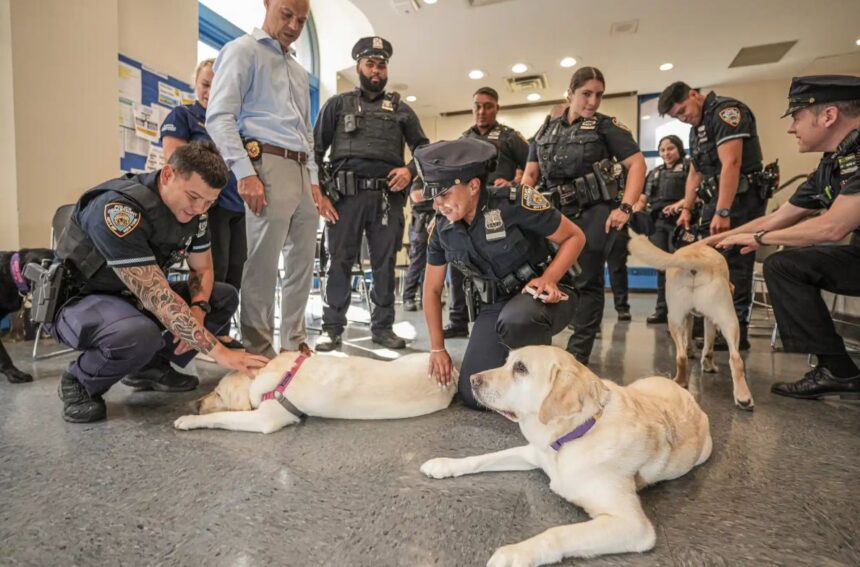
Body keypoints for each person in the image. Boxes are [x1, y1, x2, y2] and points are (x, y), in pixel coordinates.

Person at [51, 142, 270, 423]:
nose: (200, 208)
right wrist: (221, 353)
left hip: (130, 300)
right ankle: (79, 381)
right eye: (193, 197)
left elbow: (202, 270)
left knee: (222, 296)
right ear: (168, 175)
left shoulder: (197, 212)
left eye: (209, 202)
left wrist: (198, 311)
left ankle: (148, 368)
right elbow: (157, 296)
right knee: (138, 333)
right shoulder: (118, 210)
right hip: (79, 303)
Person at [707, 75, 860, 400]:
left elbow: (832, 227)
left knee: (779, 260)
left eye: (796, 117)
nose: (792, 128)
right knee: (783, 266)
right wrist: (716, 240)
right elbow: (779, 216)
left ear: (829, 115)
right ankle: (837, 369)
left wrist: (761, 238)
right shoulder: (832, 164)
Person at [417, 138, 586, 409]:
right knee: (475, 396)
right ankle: (517, 365)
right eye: (434, 197)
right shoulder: (441, 230)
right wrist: (438, 348)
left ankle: (549, 385)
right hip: (495, 305)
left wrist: (549, 277)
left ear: (473, 186)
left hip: (543, 296)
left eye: (445, 194)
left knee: (519, 320)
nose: (438, 205)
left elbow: (575, 237)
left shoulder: (514, 201)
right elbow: (432, 289)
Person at [206, 0, 319, 358]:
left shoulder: (299, 72)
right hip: (266, 162)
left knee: (303, 259)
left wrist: (314, 180)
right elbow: (219, 116)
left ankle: (294, 342)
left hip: (301, 168)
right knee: (262, 263)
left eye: (301, 21)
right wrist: (244, 172)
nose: (293, 26)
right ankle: (258, 348)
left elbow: (306, 130)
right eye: (286, 14)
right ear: (267, 4)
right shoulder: (241, 51)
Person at [521, 67, 646, 365]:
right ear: (570, 93)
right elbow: (530, 175)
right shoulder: (545, 130)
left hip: (593, 212)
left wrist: (625, 207)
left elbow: (637, 164)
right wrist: (521, 209)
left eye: (599, 95)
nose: (593, 101)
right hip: (553, 214)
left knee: (586, 281)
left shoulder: (605, 126)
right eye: (586, 94)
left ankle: (578, 357)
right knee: (547, 276)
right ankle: (541, 349)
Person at [312, 36, 429, 351]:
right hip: (344, 198)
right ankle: (332, 329)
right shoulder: (337, 105)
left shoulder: (401, 109)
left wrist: (409, 171)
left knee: (385, 263)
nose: (376, 70)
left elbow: (424, 149)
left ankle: (383, 328)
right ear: (359, 66)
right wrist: (321, 195)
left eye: (381, 64)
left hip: (386, 199)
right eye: (370, 63)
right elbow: (315, 150)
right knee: (337, 262)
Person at [658, 81, 768, 350]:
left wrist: (723, 210)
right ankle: (712, 324)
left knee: (735, 263)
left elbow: (732, 163)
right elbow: (695, 172)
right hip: (715, 199)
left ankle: (734, 329)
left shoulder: (725, 112)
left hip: (739, 200)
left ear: (694, 95)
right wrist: (687, 209)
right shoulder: (697, 129)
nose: (684, 118)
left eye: (683, 110)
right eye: (677, 117)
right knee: (710, 263)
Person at [160, 58, 244, 349]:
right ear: (195, 84)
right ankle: (201, 336)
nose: (210, 91)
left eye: (217, 85)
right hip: (210, 206)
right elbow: (174, 161)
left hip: (237, 205)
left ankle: (220, 330)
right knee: (214, 269)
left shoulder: (234, 123)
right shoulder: (184, 116)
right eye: (205, 84)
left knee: (235, 271)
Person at [442, 87, 533, 338]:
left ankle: (506, 320)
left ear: (497, 108)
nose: (482, 111)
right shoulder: (462, 140)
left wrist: (514, 184)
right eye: (477, 106)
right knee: (459, 264)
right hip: (466, 213)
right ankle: (458, 320)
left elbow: (534, 169)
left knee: (501, 266)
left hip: (498, 212)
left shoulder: (509, 137)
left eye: (488, 106)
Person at [639, 135, 691, 324]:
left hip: (681, 222)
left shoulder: (688, 168)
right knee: (662, 267)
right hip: (658, 224)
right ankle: (662, 309)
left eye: (670, 149)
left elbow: (697, 192)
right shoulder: (654, 173)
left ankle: (683, 312)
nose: (666, 153)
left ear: (679, 149)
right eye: (662, 150)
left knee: (680, 268)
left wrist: (681, 204)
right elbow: (643, 198)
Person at [402, 177, 435, 312]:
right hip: (420, 225)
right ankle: (408, 298)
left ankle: (425, 298)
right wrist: (437, 192)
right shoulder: (420, 178)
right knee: (416, 263)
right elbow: (416, 195)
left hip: (432, 223)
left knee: (431, 264)